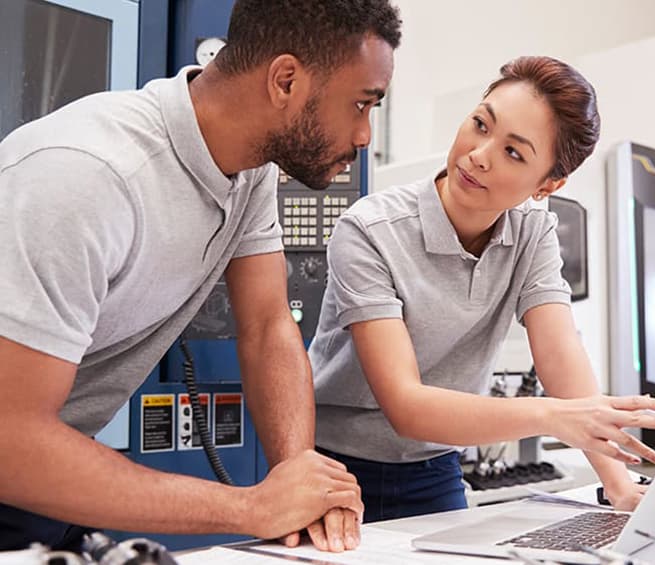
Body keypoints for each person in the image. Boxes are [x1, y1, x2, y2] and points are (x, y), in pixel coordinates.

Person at [0, 0, 401, 553]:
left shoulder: (249, 168)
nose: (364, 136)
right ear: (285, 80)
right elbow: (9, 439)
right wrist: (251, 506)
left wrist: (299, 477)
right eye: (361, 104)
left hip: (44, 479)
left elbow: (266, 325)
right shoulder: (88, 177)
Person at [309, 55, 655, 523]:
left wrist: (619, 485)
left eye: (513, 152)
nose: (479, 154)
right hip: (336, 468)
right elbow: (405, 405)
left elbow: (560, 353)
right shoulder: (370, 229)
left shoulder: (533, 230)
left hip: (434, 467)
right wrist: (551, 415)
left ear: (548, 185)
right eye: (481, 124)